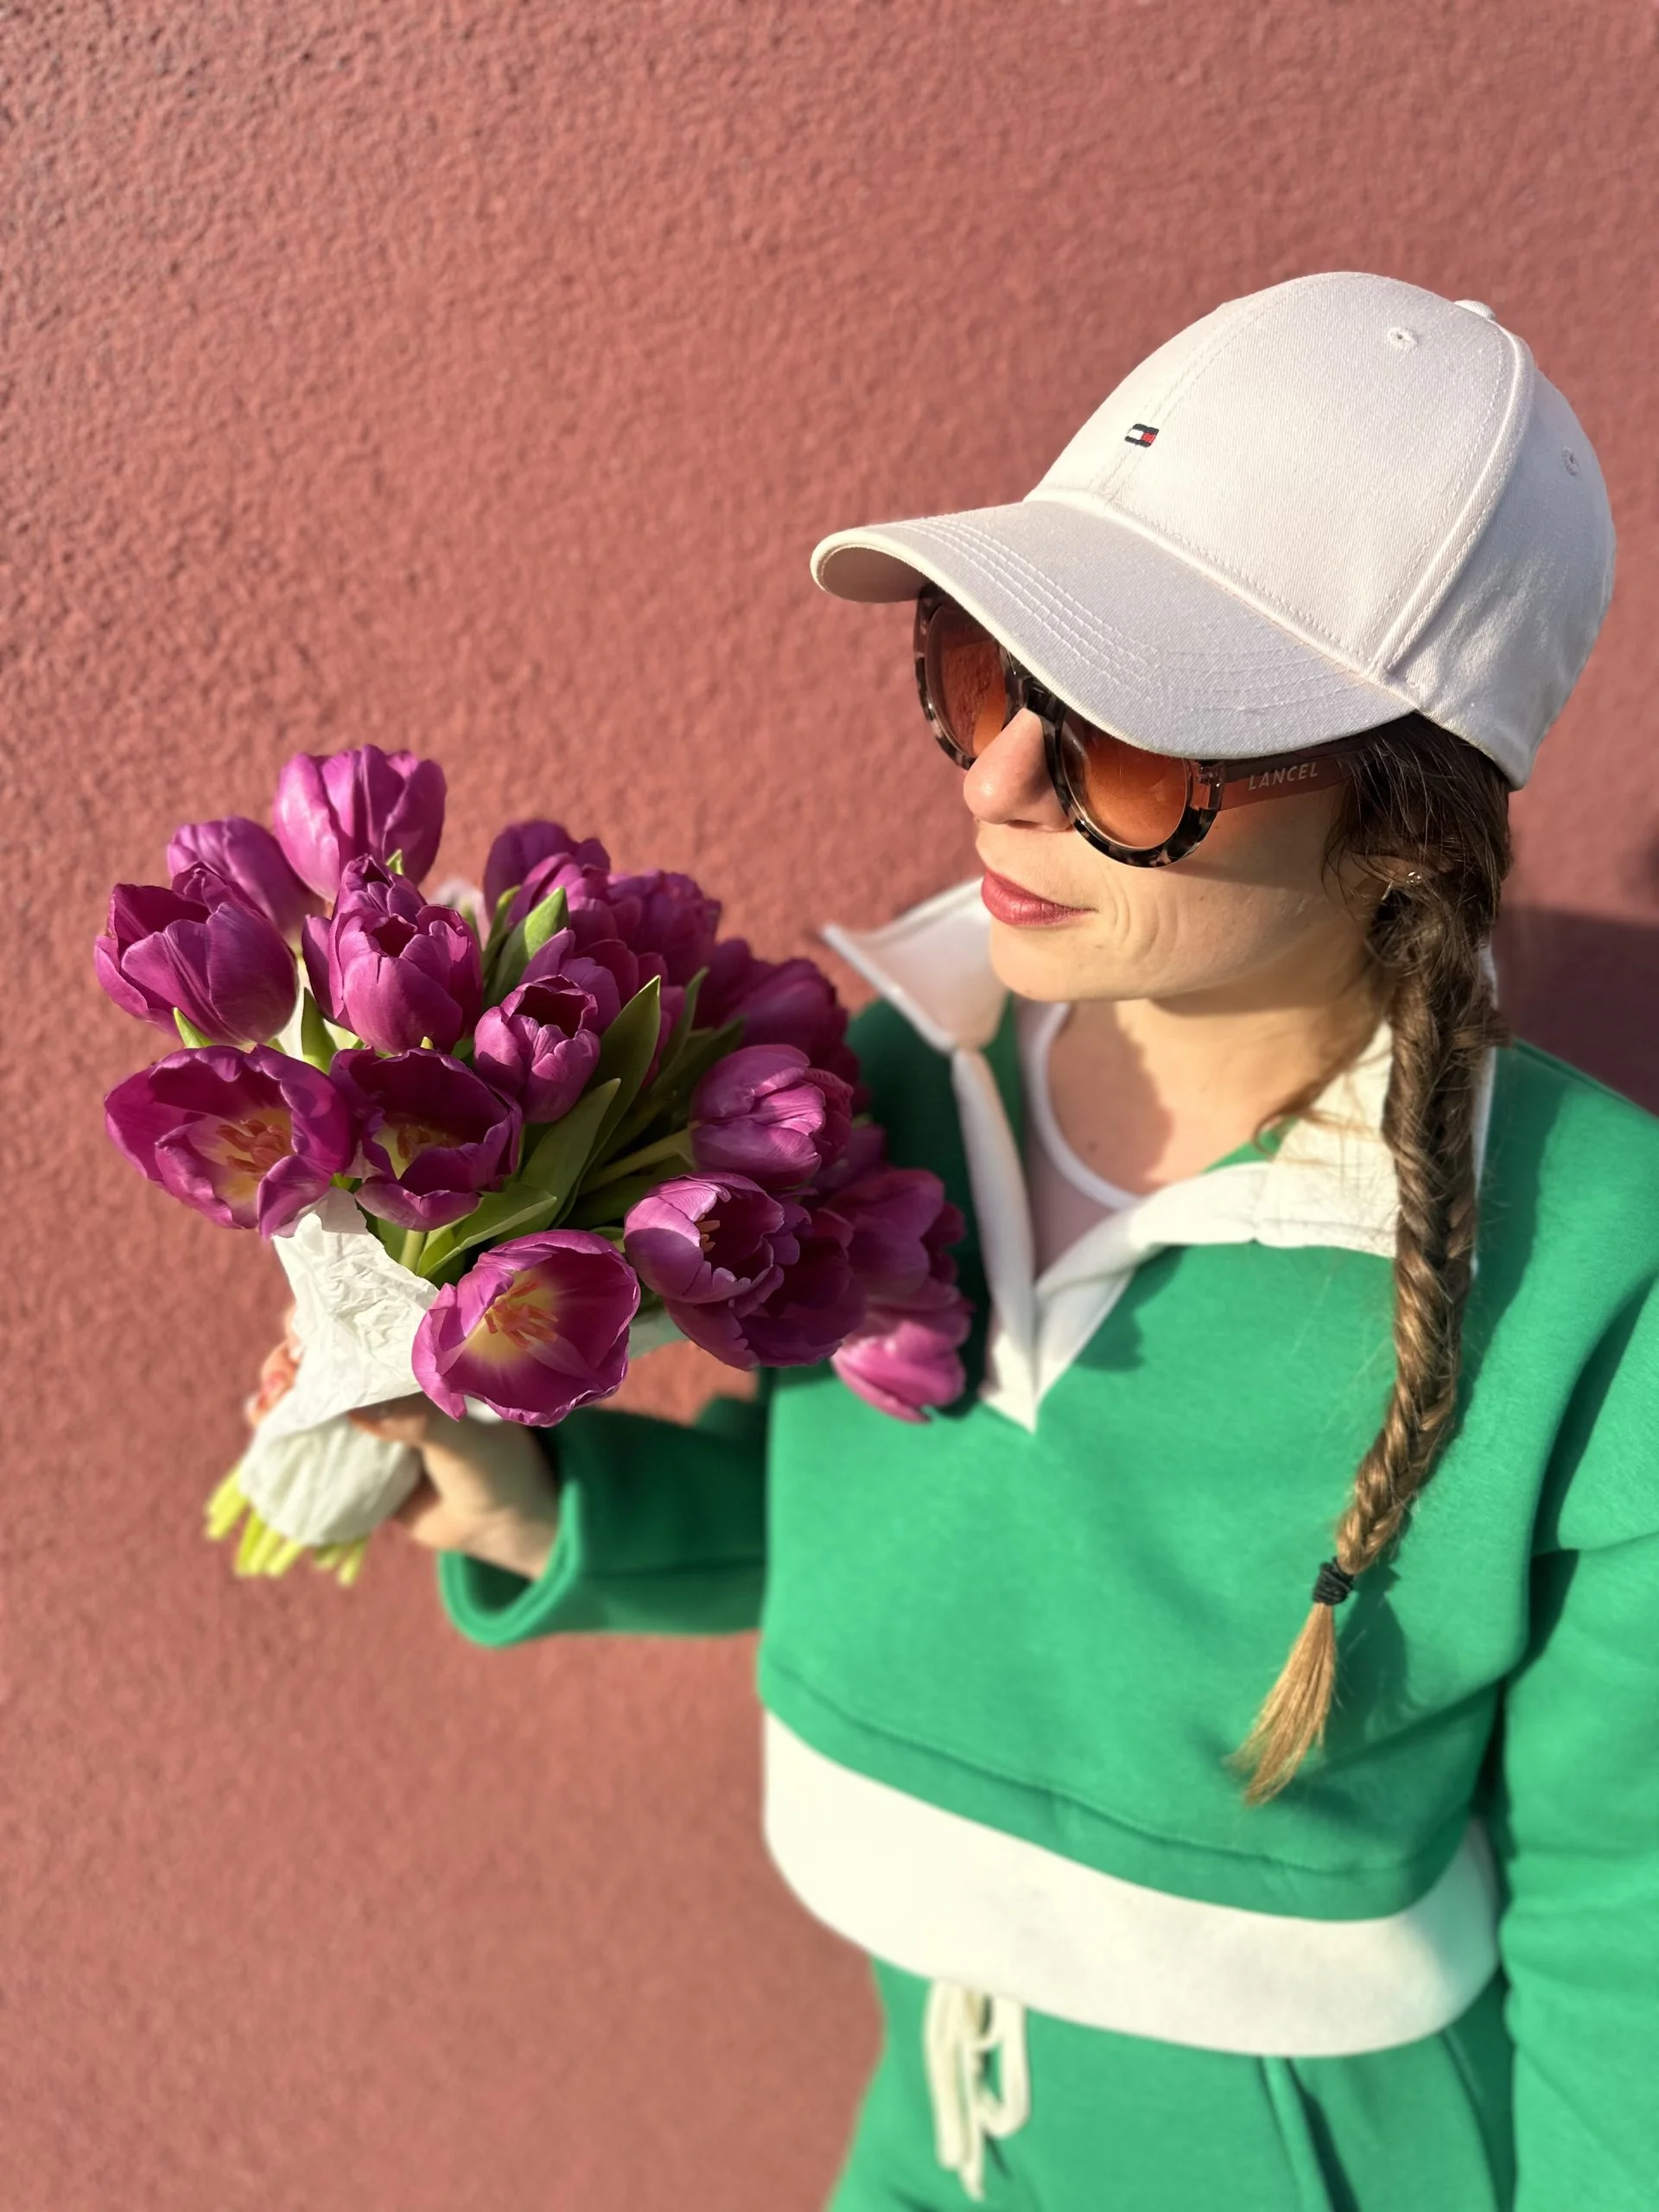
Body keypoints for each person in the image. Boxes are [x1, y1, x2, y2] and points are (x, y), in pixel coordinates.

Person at [254, 273, 1656, 2209]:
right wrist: (539, 1510)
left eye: (1136, 747)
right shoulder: (891, 1069)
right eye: (986, 674)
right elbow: (867, 1500)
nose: (993, 784)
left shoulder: (1596, 1263)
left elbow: (1627, 1894)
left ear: (1404, 817)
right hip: (933, 2114)